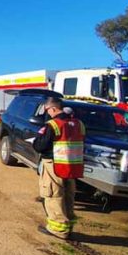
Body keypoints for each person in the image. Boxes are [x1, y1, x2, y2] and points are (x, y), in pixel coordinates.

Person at [32, 97, 85, 239]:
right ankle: (69, 226)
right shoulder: (79, 124)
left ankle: (58, 229)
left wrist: (37, 138)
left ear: (53, 109)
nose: (47, 113)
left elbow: (40, 146)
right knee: (68, 196)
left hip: (54, 165)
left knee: (53, 195)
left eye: (47, 110)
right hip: (72, 166)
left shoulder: (53, 124)